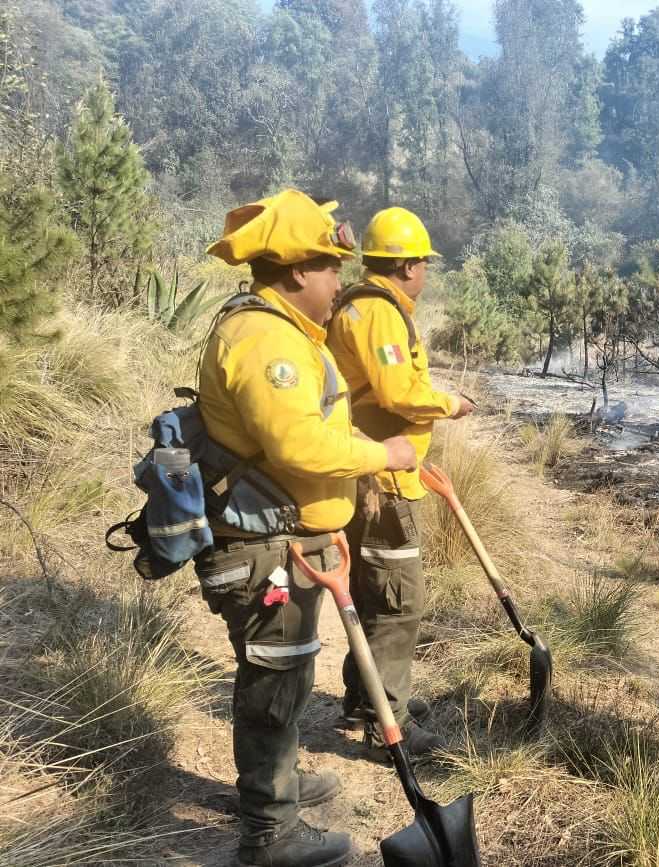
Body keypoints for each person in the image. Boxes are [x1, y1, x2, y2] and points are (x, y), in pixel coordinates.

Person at [197, 189, 417, 867]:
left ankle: (278, 787)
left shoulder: (284, 330)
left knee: (285, 674)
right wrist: (386, 454)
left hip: (290, 539)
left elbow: (306, 441)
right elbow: (300, 448)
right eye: (329, 267)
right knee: (274, 680)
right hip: (263, 552)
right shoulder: (266, 341)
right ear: (295, 270)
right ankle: (270, 833)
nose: (337, 281)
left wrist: (331, 523)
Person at [327, 206, 474, 760]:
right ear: (408, 265)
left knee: (371, 590)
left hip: (376, 471)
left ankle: (364, 696)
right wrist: (451, 403)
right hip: (385, 482)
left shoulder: (362, 306)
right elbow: (395, 393)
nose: (427, 274)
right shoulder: (380, 313)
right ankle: (388, 721)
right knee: (397, 600)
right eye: (424, 264)